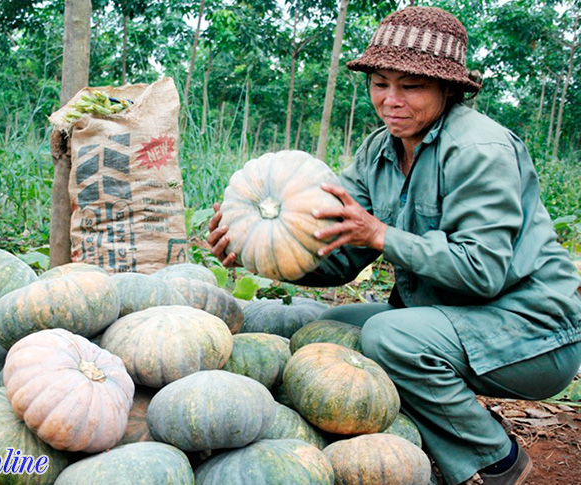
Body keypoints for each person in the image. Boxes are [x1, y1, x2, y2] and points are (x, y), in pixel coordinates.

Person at [208, 6, 581, 485]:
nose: (391, 101)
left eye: (411, 86)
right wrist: (265, 252)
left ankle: (495, 460)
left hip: (533, 333)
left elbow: (482, 270)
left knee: (388, 339)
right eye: (380, 83)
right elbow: (342, 256)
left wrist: (381, 234)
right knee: (335, 328)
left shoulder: (479, 150)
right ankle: (442, 431)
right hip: (457, 316)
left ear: (449, 89)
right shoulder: (377, 151)